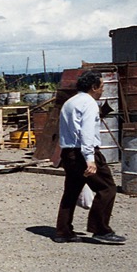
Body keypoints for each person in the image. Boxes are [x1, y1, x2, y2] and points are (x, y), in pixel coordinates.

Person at [54, 72, 125, 244]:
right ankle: (100, 229)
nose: (102, 90)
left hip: (69, 153)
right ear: (93, 87)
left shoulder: (69, 103)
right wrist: (90, 159)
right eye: (101, 87)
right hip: (83, 153)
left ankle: (63, 231)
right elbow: (86, 133)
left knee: (71, 192)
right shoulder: (89, 104)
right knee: (107, 188)